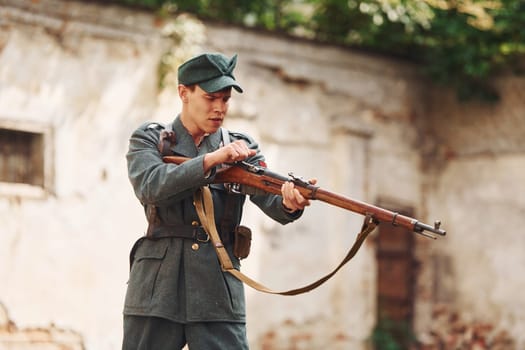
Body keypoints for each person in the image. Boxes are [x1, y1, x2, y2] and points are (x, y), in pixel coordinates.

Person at [122, 52, 313, 349]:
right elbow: (152, 186)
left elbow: (269, 198)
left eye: (225, 99)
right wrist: (211, 161)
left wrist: (291, 202)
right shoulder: (151, 139)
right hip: (156, 289)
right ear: (184, 93)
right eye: (211, 98)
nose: (219, 108)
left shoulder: (242, 147)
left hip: (218, 288)